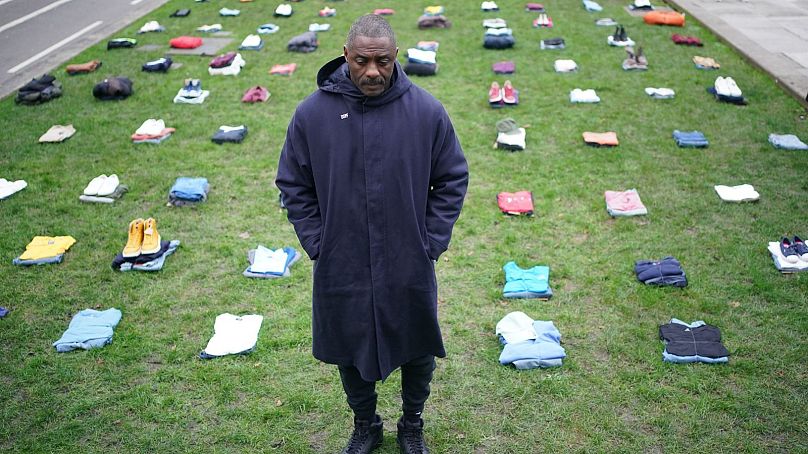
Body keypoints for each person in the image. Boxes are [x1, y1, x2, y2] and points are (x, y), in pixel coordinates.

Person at [275, 14, 469, 454]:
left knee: (417, 344)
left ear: (395, 57)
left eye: (381, 61)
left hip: (408, 256)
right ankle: (365, 423)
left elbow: (452, 178)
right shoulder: (311, 114)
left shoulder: (426, 111)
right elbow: (293, 183)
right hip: (341, 257)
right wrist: (317, 241)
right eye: (361, 60)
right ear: (346, 56)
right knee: (350, 344)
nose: (372, 71)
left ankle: (412, 423)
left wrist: (431, 241)